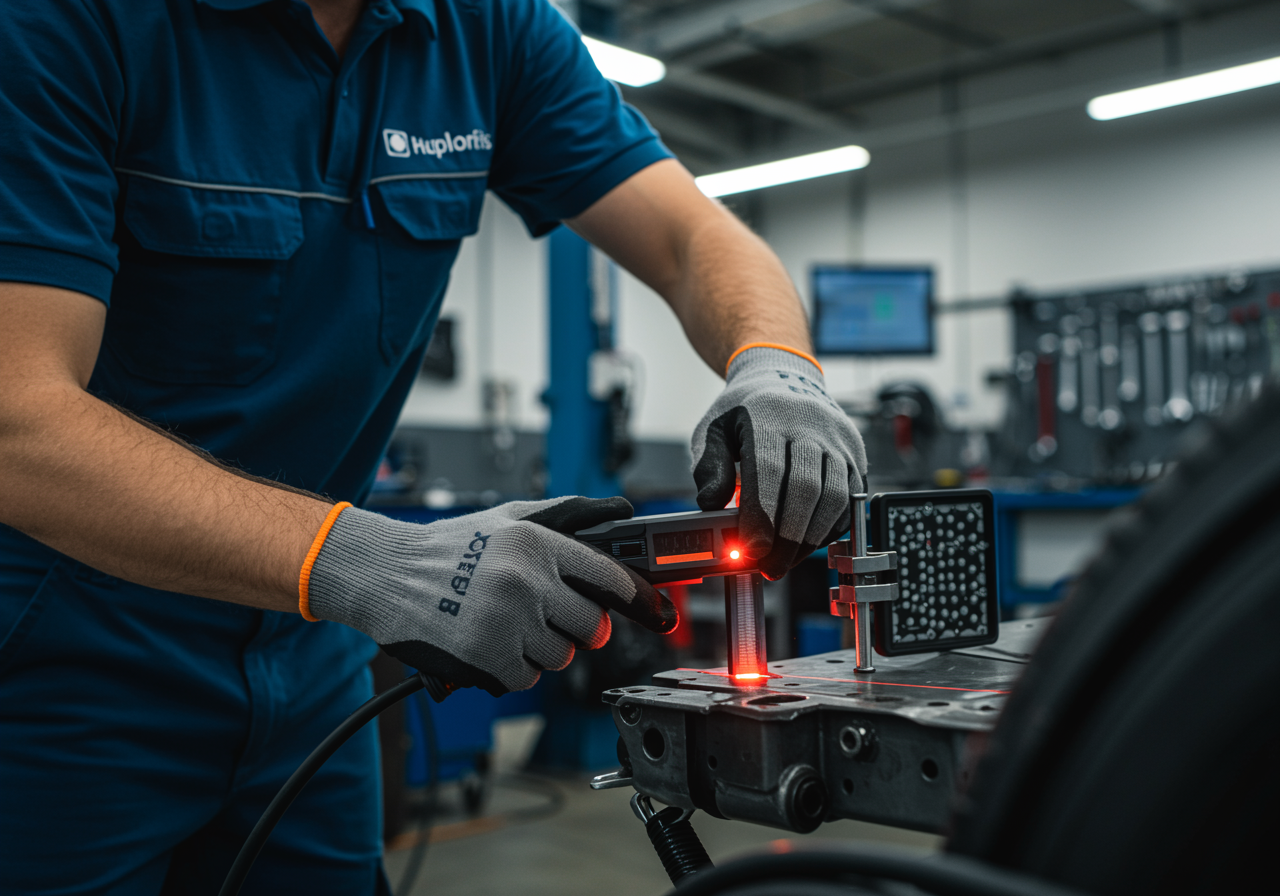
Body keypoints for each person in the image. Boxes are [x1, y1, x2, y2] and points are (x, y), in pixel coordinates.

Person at [0, 0, 866, 892]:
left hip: (307, 646)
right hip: (60, 655)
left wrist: (775, 366)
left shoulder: (485, 28)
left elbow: (693, 237)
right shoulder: (64, 22)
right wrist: (364, 559)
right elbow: (15, 422)